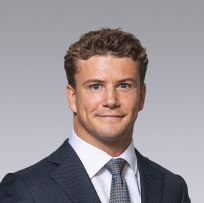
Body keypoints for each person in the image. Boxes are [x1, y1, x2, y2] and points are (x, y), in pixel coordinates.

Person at [0, 28, 190, 203]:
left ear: (142, 96)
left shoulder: (173, 188)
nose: (110, 100)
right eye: (96, 86)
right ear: (72, 97)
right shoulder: (26, 189)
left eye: (124, 85)